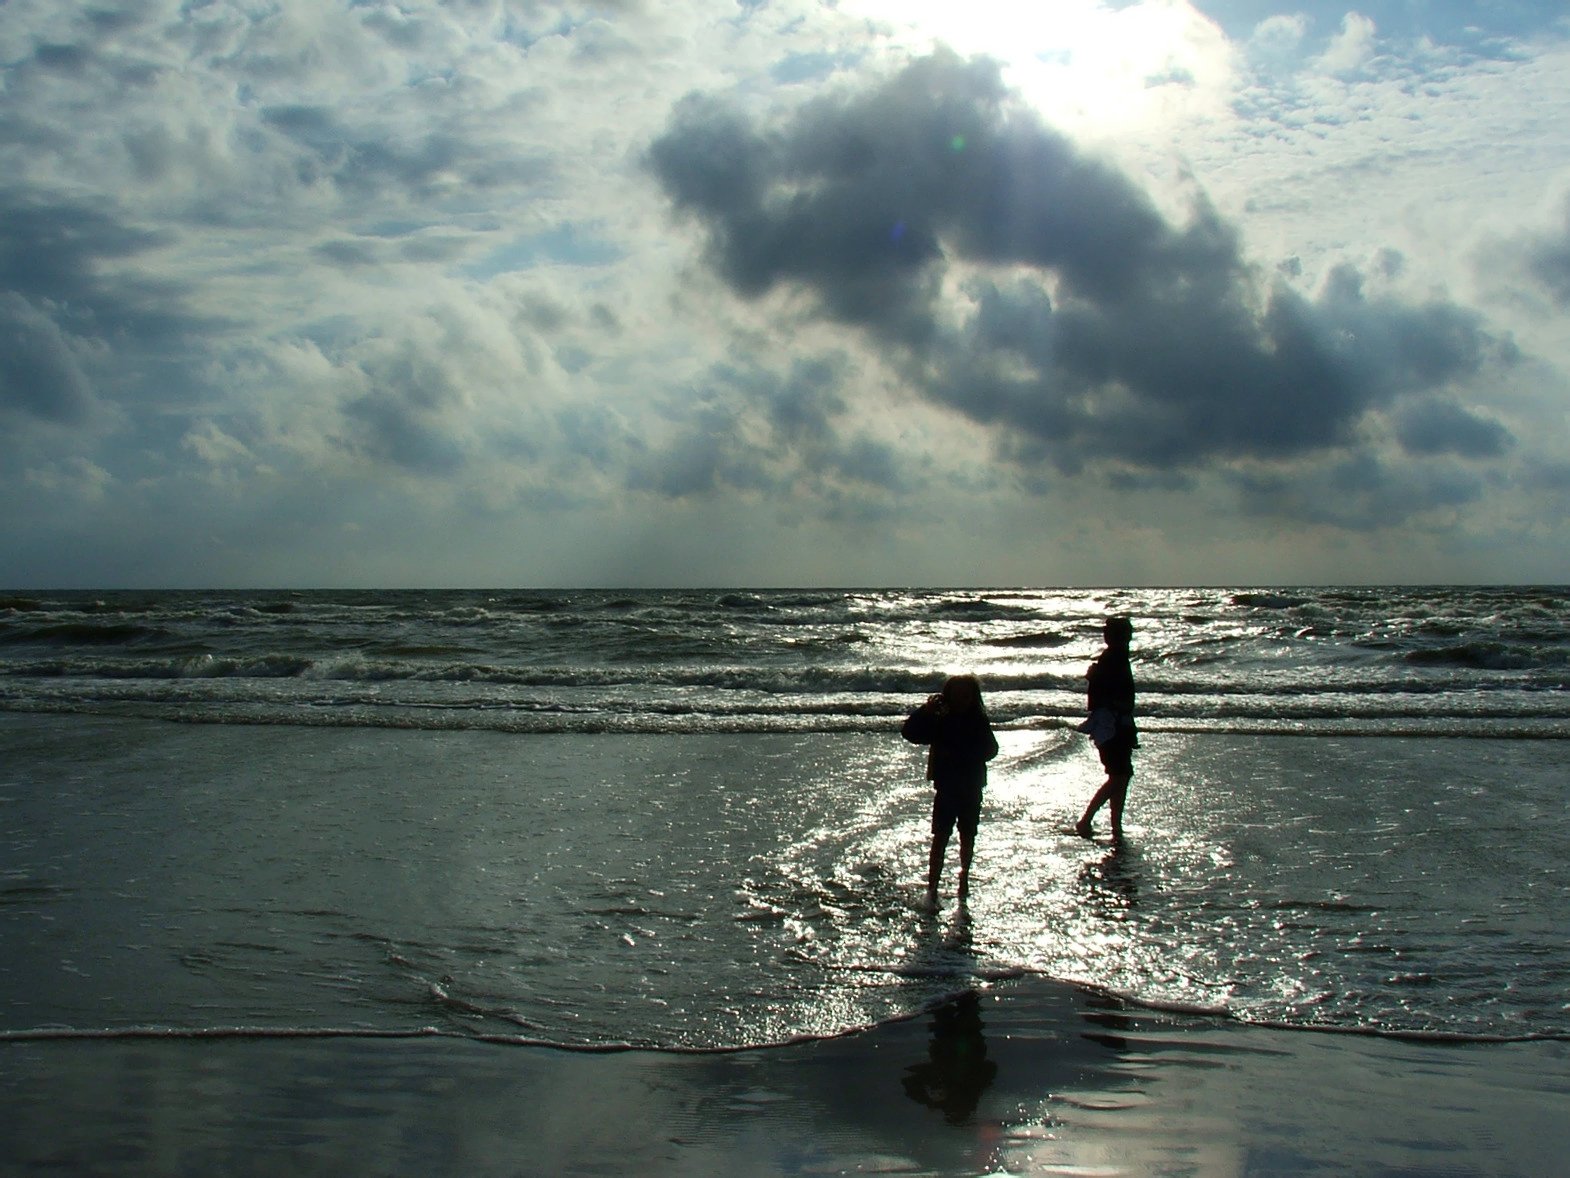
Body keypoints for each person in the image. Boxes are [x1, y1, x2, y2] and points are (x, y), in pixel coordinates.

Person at [902, 674, 999, 907]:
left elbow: (991, 750)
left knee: (967, 835)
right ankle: (933, 886)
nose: (961, 700)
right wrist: (925, 711)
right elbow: (910, 732)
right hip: (946, 787)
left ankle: (963, 876)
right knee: (941, 836)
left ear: (973, 697)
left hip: (971, 786)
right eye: (956, 695)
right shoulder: (940, 719)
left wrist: (959, 754)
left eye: (966, 695)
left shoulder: (978, 720)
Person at [1076, 616, 1138, 841]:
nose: (1128, 638)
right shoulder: (1114, 659)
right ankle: (1087, 820)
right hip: (1112, 725)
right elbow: (1103, 696)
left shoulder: (1113, 658)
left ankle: (1115, 826)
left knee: (1119, 776)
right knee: (1120, 777)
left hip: (1114, 724)